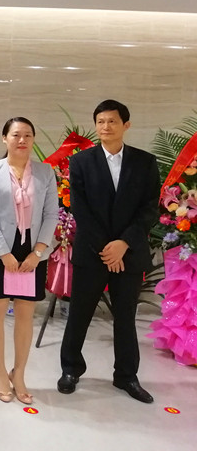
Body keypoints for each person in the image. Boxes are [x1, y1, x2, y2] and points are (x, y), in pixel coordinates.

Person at [58, 99, 160, 403]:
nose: (105, 127)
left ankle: (126, 376)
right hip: (93, 252)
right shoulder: (81, 162)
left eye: (112, 121)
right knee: (80, 313)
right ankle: (71, 369)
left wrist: (123, 244)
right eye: (100, 122)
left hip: (129, 253)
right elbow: (80, 209)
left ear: (126, 125)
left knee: (125, 317)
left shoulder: (145, 162)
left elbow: (149, 209)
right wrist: (107, 249)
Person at [0, 117, 58, 404]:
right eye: (15, 135)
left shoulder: (46, 172)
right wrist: (4, 253)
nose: (21, 140)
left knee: (25, 313)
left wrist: (38, 253)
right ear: (5, 138)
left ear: (33, 139)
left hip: (33, 253)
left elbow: (51, 214)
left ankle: (19, 373)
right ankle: (1, 373)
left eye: (27, 135)